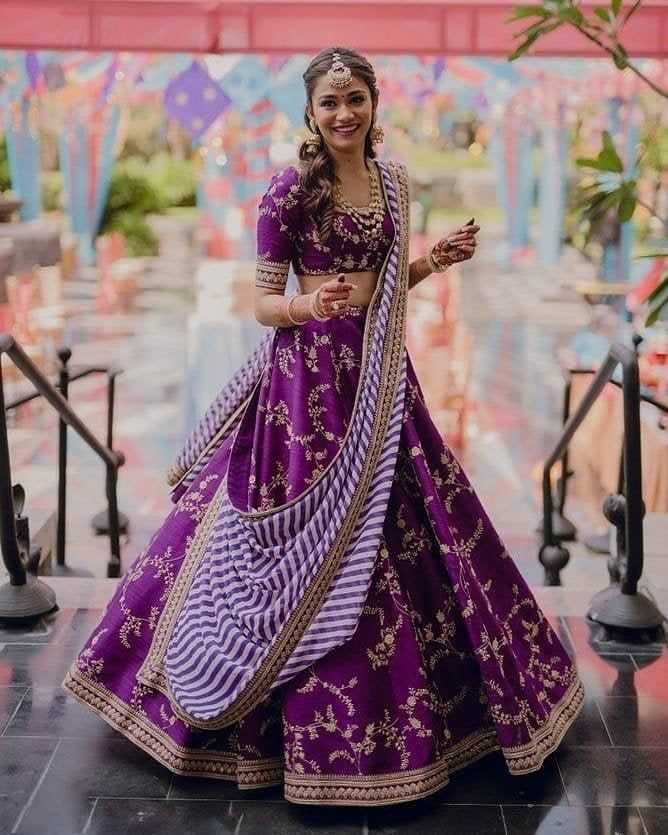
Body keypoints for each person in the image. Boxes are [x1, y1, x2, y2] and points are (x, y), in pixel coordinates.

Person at [63, 47, 583, 806]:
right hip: (304, 395)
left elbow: (385, 286)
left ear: (375, 103)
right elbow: (264, 304)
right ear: (310, 112)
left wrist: (434, 258)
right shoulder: (286, 192)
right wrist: (310, 306)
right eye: (330, 101)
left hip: (378, 379)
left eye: (356, 98)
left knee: (407, 529)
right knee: (280, 539)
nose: (344, 113)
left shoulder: (394, 182)